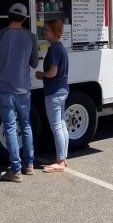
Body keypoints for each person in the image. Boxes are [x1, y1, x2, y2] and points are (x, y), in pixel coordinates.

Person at [0, 3, 39, 183]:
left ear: (8, 16)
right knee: (26, 125)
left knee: (10, 127)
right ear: (25, 19)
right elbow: (34, 64)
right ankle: (29, 164)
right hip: (24, 87)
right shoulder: (31, 37)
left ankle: (15, 169)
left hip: (5, 88)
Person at [35, 19, 69, 173]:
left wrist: (42, 74)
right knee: (61, 125)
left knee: (56, 127)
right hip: (62, 89)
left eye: (47, 30)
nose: (44, 32)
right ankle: (63, 158)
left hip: (53, 91)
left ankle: (60, 161)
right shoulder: (61, 47)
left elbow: (53, 72)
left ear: (55, 32)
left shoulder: (54, 49)